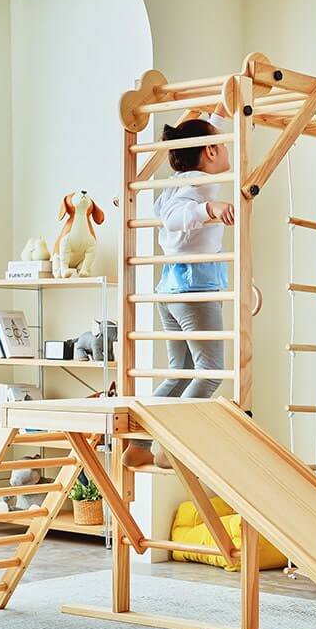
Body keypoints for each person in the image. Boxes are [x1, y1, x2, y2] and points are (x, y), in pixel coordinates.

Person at [123, 103, 232, 469]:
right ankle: (172, 446)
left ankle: (139, 444)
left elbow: (210, 132)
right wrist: (209, 210)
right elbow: (172, 219)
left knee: (180, 371)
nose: (226, 147)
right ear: (211, 152)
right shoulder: (197, 185)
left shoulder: (181, 180)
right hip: (194, 290)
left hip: (171, 290)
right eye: (222, 143)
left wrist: (222, 107)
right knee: (210, 372)